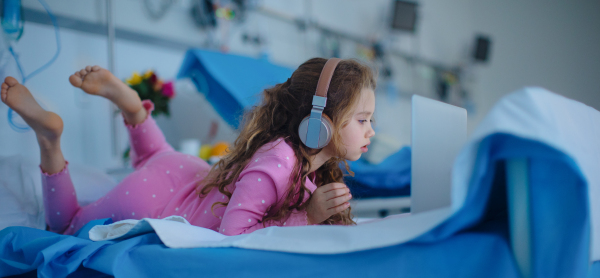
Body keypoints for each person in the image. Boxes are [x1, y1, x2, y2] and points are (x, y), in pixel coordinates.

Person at [0, 57, 376, 236]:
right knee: (65, 227)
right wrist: (305, 217)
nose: (370, 131)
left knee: (153, 157)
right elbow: (233, 235)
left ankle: (134, 107)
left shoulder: (303, 170)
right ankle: (49, 140)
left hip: (183, 173)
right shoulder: (279, 161)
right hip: (155, 201)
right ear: (318, 121)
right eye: (362, 120)